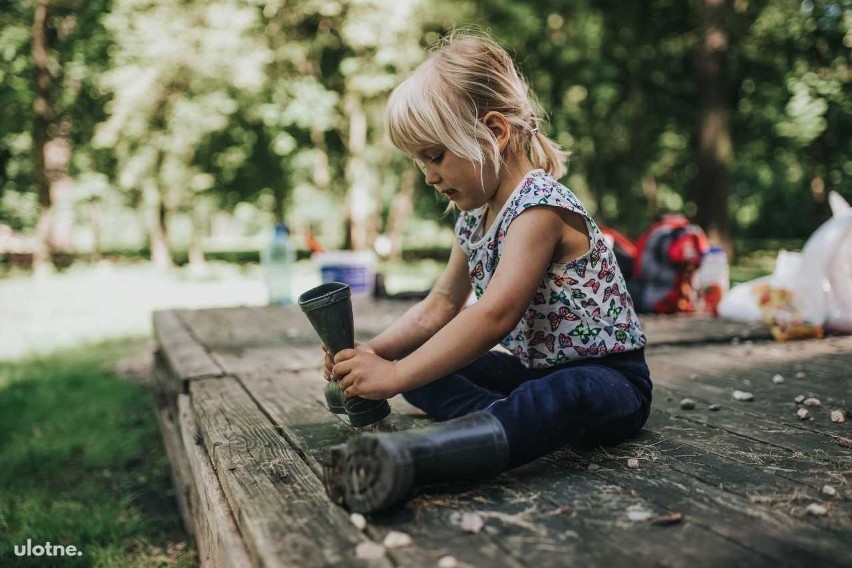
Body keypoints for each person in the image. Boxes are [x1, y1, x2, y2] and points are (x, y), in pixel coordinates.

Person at [321, 31, 651, 513]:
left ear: (494, 132)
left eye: (436, 156)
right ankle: (498, 423)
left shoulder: (539, 207)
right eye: (420, 163)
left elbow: (495, 313)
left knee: (564, 392)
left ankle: (433, 455)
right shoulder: (473, 216)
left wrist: (392, 377)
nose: (429, 176)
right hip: (531, 373)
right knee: (426, 358)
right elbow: (439, 306)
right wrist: (374, 354)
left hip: (608, 381)